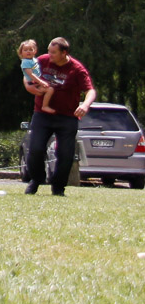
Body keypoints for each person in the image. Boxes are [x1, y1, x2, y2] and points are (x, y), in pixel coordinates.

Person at [23, 37, 96, 196]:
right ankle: (36, 179)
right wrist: (30, 88)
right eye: (49, 51)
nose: (49, 55)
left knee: (66, 154)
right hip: (42, 114)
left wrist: (85, 105)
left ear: (64, 53)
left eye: (54, 52)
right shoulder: (42, 61)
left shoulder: (76, 69)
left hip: (67, 117)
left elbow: (90, 90)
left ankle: (58, 187)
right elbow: (27, 74)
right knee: (35, 149)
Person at [18, 39, 55, 112]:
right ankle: (45, 106)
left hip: (37, 80)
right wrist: (41, 82)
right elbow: (31, 74)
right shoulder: (25, 62)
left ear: (35, 51)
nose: (28, 51)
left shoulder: (33, 60)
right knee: (50, 90)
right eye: (25, 50)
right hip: (33, 82)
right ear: (21, 53)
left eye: (30, 49)